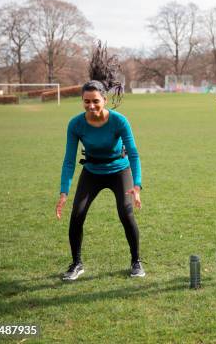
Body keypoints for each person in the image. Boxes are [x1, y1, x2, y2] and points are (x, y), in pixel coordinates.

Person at [55, 42, 144, 280]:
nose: (91, 106)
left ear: (104, 99)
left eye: (96, 101)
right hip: (92, 171)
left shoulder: (119, 121)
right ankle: (76, 264)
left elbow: (133, 153)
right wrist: (64, 191)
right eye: (87, 102)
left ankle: (136, 261)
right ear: (82, 101)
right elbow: (68, 160)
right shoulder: (76, 124)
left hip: (119, 170)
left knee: (126, 214)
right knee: (77, 215)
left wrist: (136, 185)